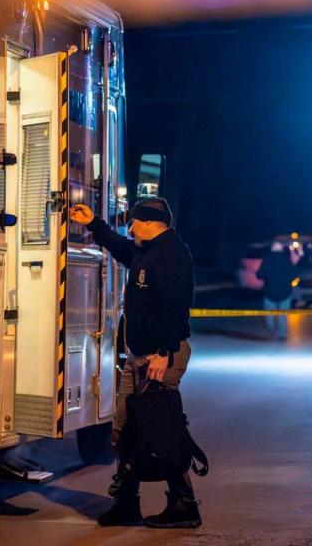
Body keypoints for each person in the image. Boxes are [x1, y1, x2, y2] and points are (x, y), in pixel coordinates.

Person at [69, 197, 200, 529]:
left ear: (149, 222)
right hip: (139, 357)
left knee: (162, 430)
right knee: (125, 431)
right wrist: (94, 224)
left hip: (159, 357)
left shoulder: (170, 256)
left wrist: (165, 352)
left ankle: (184, 504)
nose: (129, 228)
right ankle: (126, 504)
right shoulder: (147, 251)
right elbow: (120, 247)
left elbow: (176, 308)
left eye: (133, 222)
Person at [257, 241, 302, 340]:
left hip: (269, 292)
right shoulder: (287, 260)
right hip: (285, 292)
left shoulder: (267, 260)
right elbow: (294, 275)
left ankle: (271, 330)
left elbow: (259, 275)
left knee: (269, 313)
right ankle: (282, 335)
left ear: (272, 249)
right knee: (283, 315)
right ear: (281, 249)